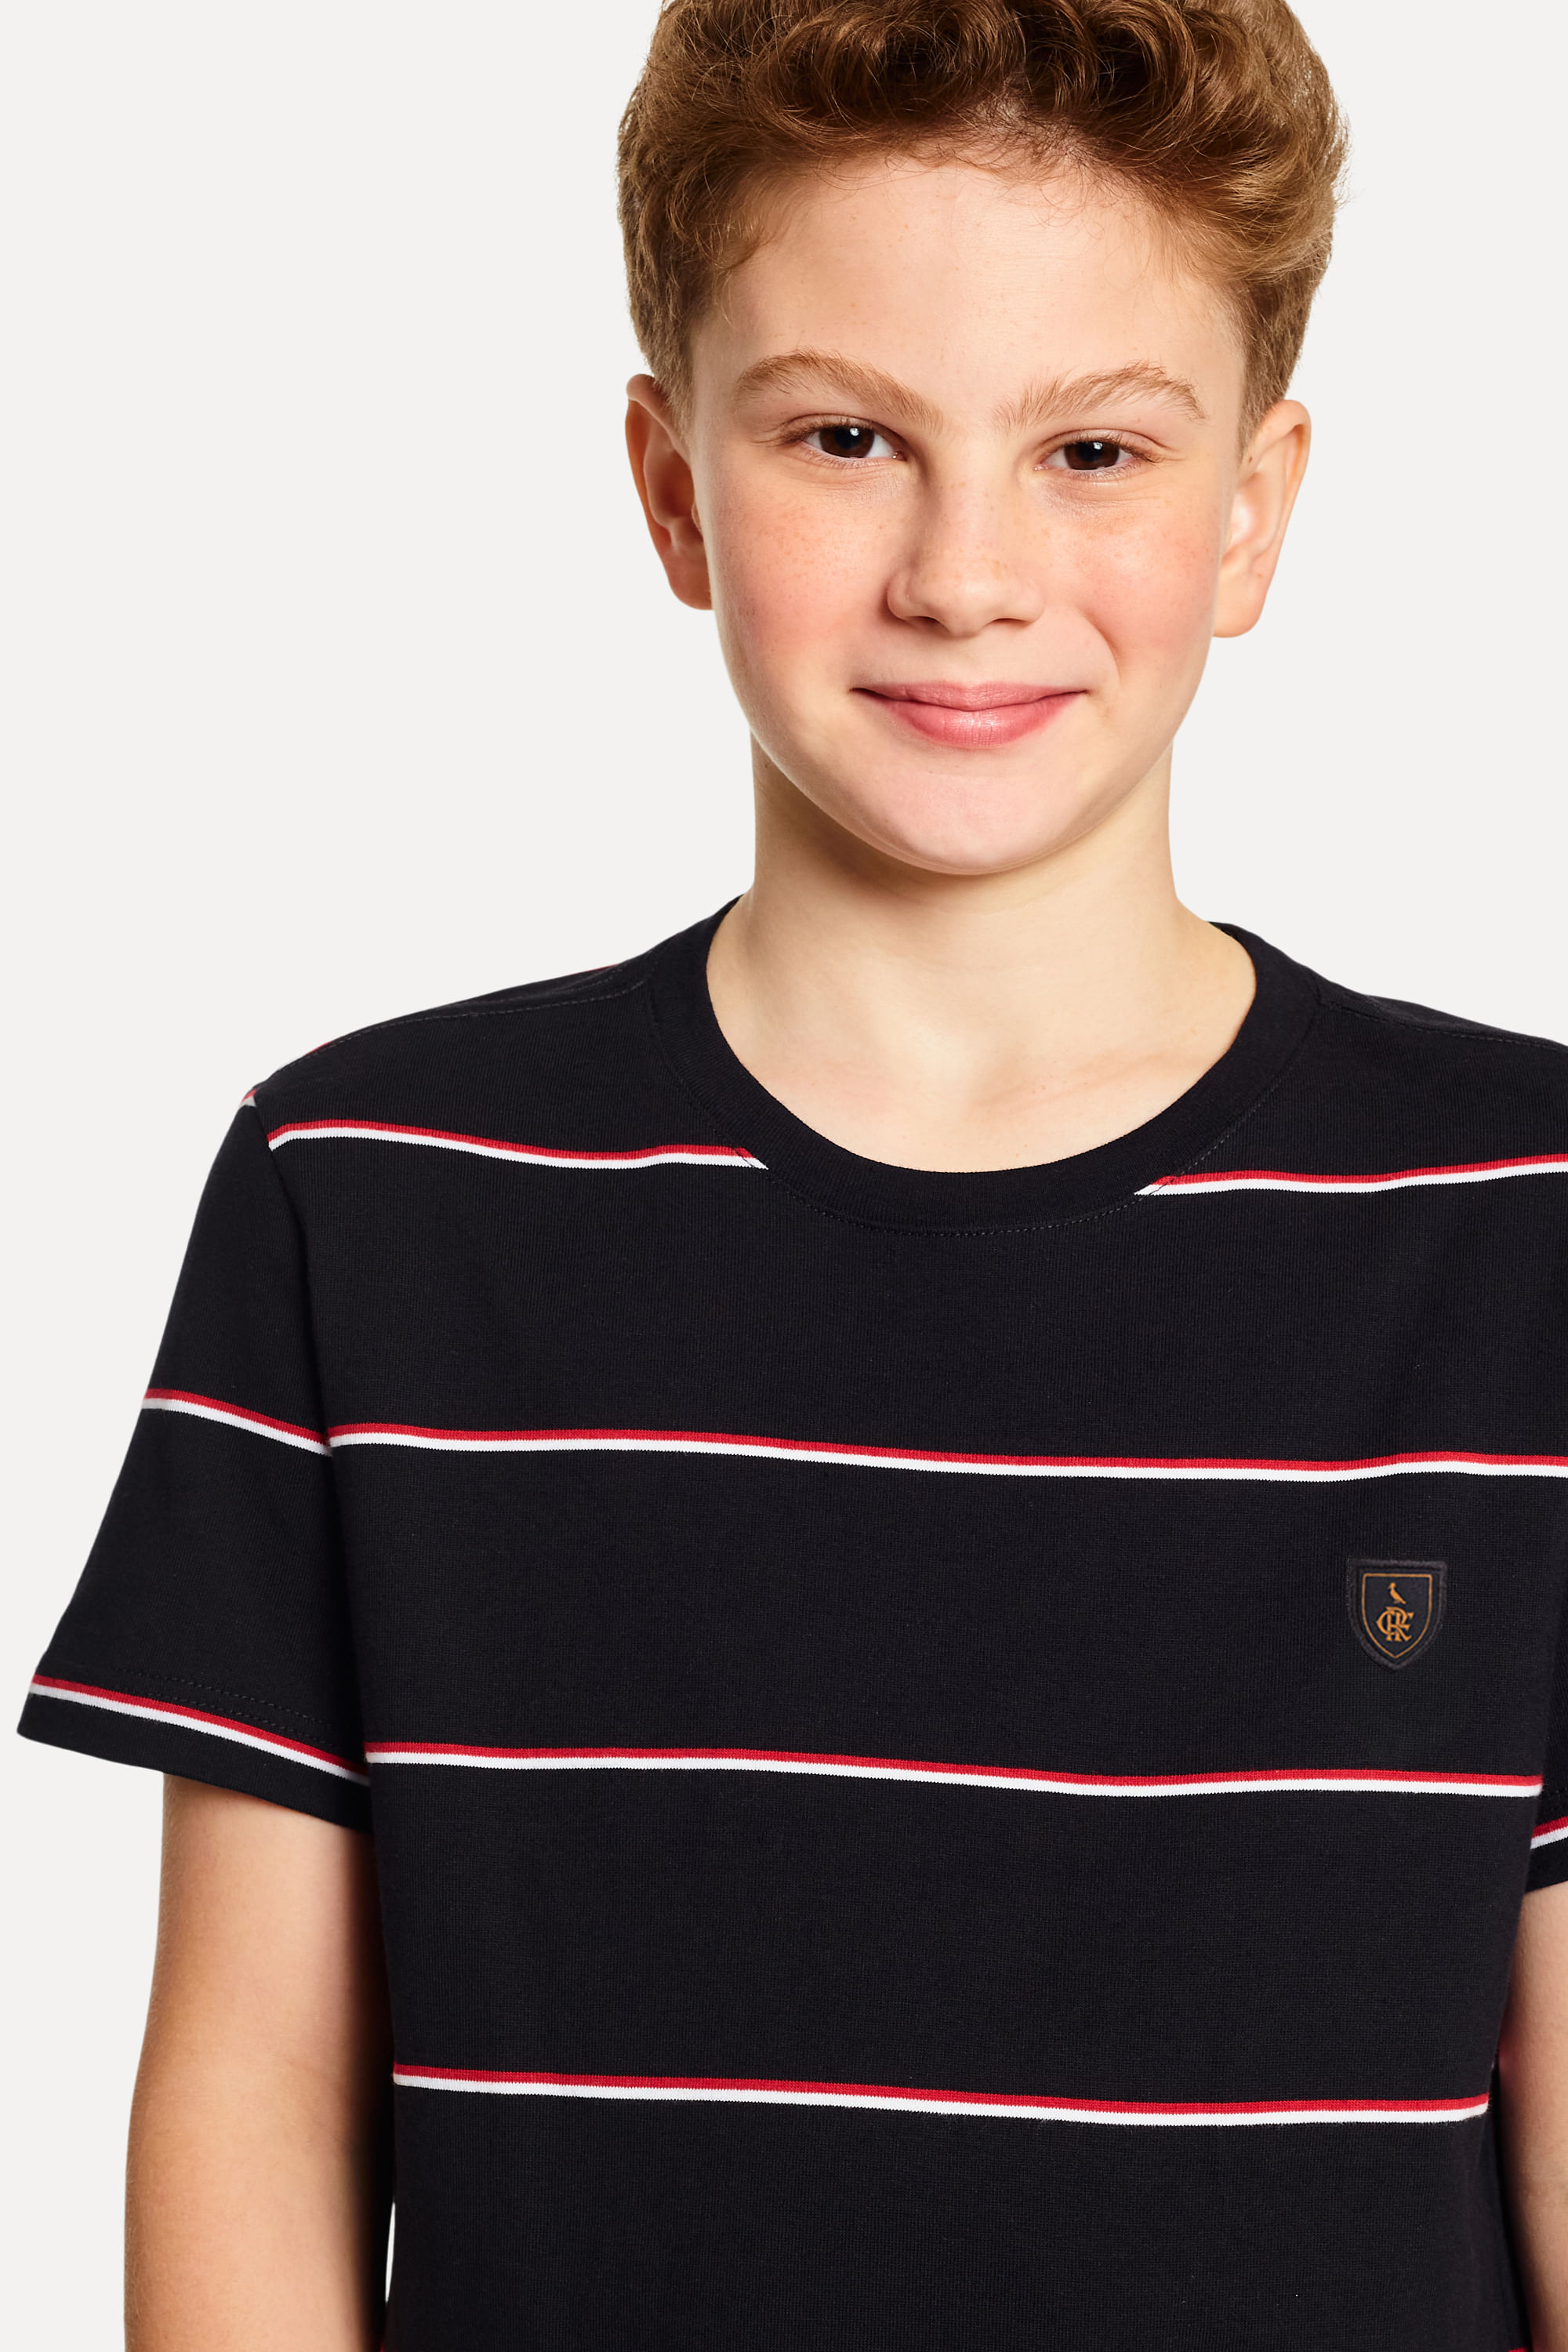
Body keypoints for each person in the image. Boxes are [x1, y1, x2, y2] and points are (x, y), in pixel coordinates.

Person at [20, 2, 1568, 2343]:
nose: (967, 572)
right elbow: (254, 2099)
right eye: (849, 437)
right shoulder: (376, 1194)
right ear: (671, 488)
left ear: (1254, 508)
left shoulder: (1521, 1225)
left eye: (1093, 450)